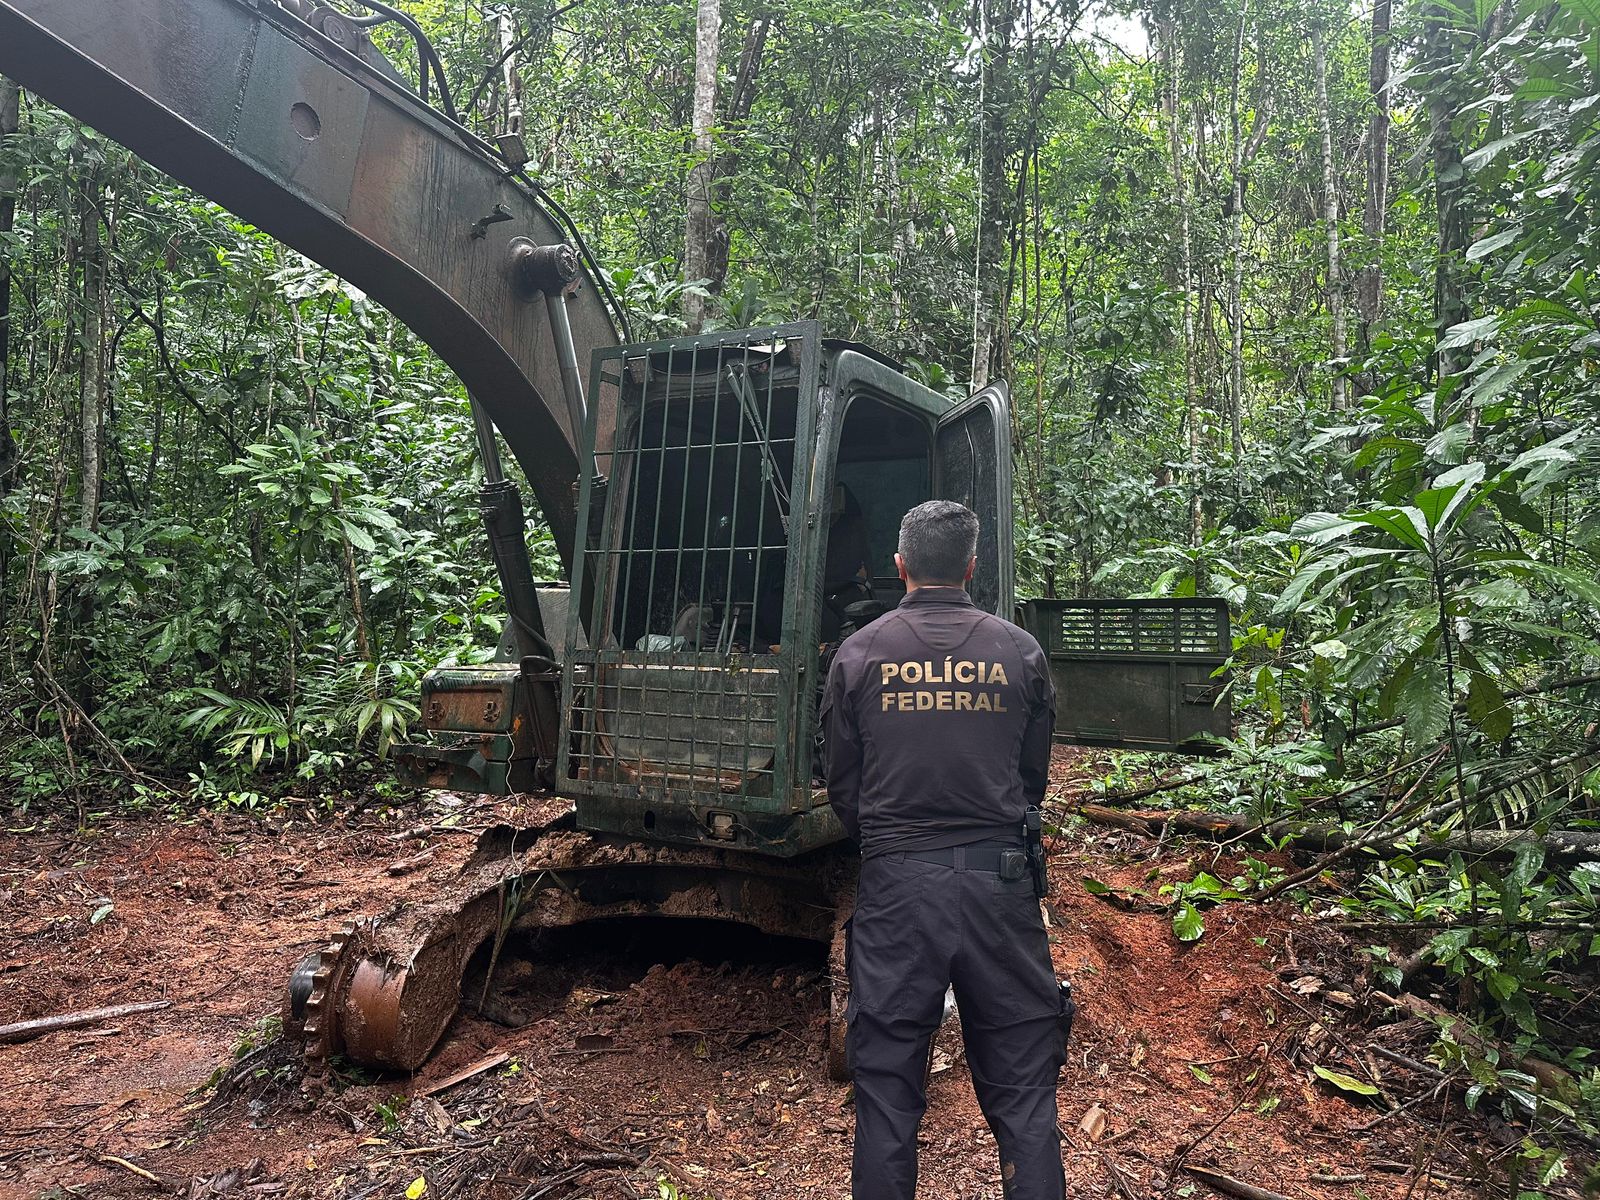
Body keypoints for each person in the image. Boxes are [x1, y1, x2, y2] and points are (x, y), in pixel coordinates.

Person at [821, 499, 1065, 1200]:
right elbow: (1031, 778)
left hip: (899, 895)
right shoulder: (1020, 652)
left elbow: (844, 786)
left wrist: (894, 847)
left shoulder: (860, 653)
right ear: (970, 566)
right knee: (1024, 1098)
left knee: (888, 1098)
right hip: (1001, 891)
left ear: (901, 567)